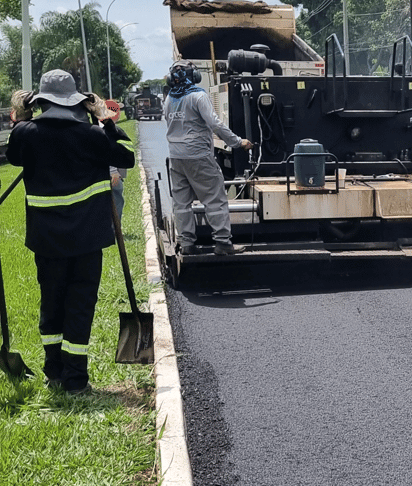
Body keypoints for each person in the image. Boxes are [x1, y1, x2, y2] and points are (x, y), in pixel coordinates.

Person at [7, 70, 135, 394]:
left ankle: (54, 373)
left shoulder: (25, 133)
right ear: (78, 103)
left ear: (42, 102)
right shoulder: (91, 136)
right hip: (86, 238)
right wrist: (105, 120)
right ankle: (76, 380)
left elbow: (13, 154)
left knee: (51, 303)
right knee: (80, 305)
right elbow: (126, 158)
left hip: (45, 239)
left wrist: (23, 116)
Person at [163, 60, 252, 255]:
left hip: (176, 158)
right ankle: (223, 243)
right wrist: (238, 142)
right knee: (215, 198)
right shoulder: (198, 96)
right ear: (193, 76)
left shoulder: (169, 99)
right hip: (198, 156)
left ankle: (186, 244)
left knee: (181, 202)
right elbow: (216, 125)